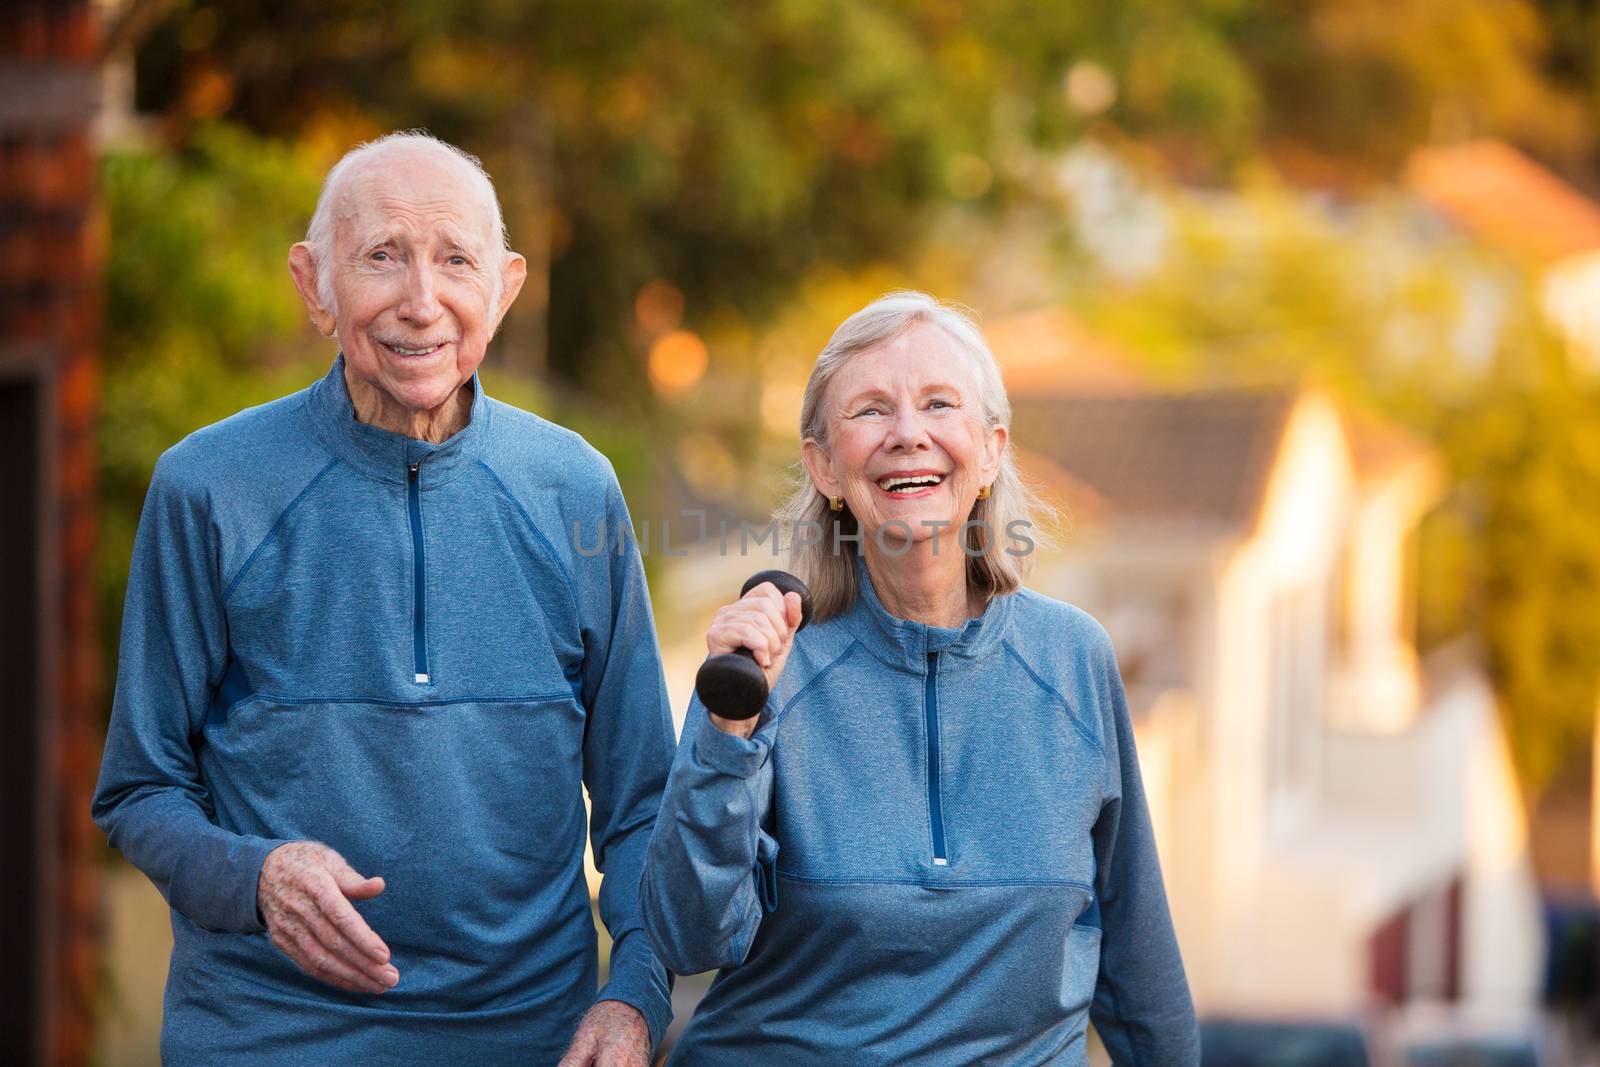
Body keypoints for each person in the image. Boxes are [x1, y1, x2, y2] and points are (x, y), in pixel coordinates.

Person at [92, 131, 674, 1066]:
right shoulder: (207, 486)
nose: (421, 302)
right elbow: (139, 787)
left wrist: (636, 994)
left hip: (528, 1039)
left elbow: (644, 800)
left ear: (506, 287)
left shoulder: (575, 487)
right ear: (314, 285)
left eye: (455, 261)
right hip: (267, 1035)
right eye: (381, 258)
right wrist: (256, 875)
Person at [639, 290, 1199, 1064]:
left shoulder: (1073, 660)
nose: (909, 435)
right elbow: (688, 934)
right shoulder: (774, 667)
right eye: (871, 409)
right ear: (825, 464)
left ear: (992, 447)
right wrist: (726, 733)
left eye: (939, 403)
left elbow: (1139, 959)